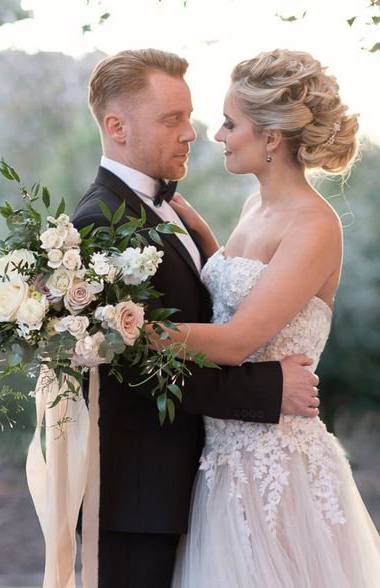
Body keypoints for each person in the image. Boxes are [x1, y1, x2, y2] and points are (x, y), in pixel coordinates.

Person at [71, 49, 320, 588]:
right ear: (116, 127)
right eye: (172, 120)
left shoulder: (171, 211)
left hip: (201, 483)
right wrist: (266, 387)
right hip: (138, 500)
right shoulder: (100, 224)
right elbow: (129, 365)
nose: (193, 132)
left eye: (191, 116)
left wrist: (210, 251)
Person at [159, 49, 380, 586]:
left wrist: (128, 327)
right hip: (221, 457)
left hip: (276, 467)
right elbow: (248, 288)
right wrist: (204, 241)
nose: (217, 135)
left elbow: (236, 340)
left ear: (271, 137)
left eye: (229, 123)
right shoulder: (253, 206)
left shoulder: (316, 225)